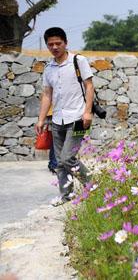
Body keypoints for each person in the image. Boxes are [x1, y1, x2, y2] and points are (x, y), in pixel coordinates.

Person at [35, 27, 94, 206]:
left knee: (68, 157)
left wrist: (87, 112)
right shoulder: (49, 68)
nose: (54, 47)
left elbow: (89, 86)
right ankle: (66, 195)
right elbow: (47, 94)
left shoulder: (78, 61)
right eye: (50, 44)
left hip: (77, 119)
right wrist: (41, 119)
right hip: (57, 120)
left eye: (58, 43)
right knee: (59, 162)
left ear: (65, 43)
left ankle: (93, 187)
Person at [47, 104, 57, 174]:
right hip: (55, 113)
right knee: (56, 141)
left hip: (53, 113)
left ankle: (53, 164)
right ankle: (54, 164)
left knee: (55, 141)